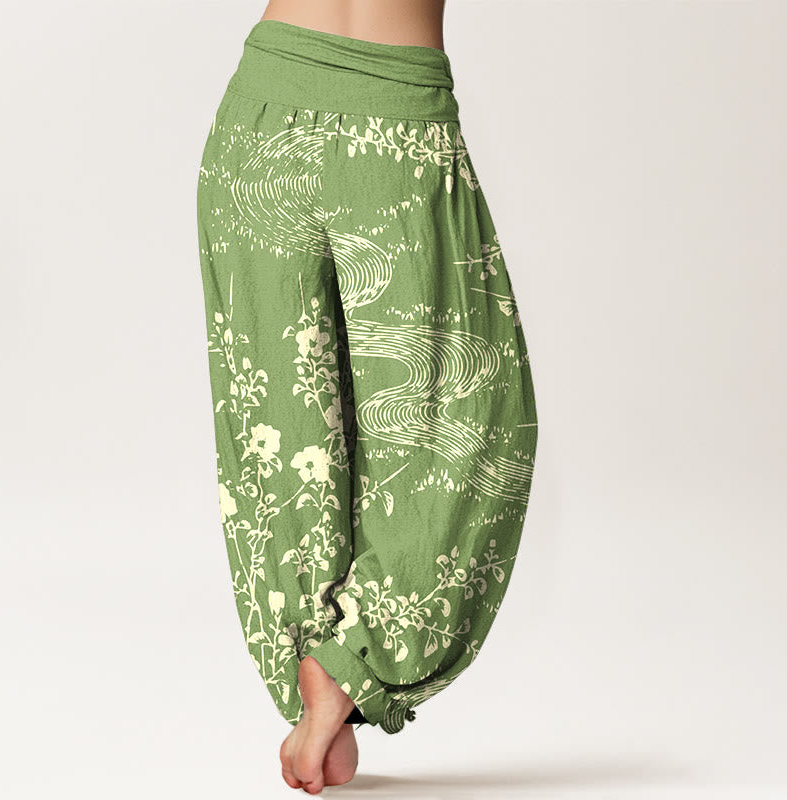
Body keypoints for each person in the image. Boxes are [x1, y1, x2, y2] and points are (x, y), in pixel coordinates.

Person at [196, 0, 539, 793]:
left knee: (285, 425)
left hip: (260, 117)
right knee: (457, 413)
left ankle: (323, 682)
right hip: (394, 133)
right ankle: (339, 672)